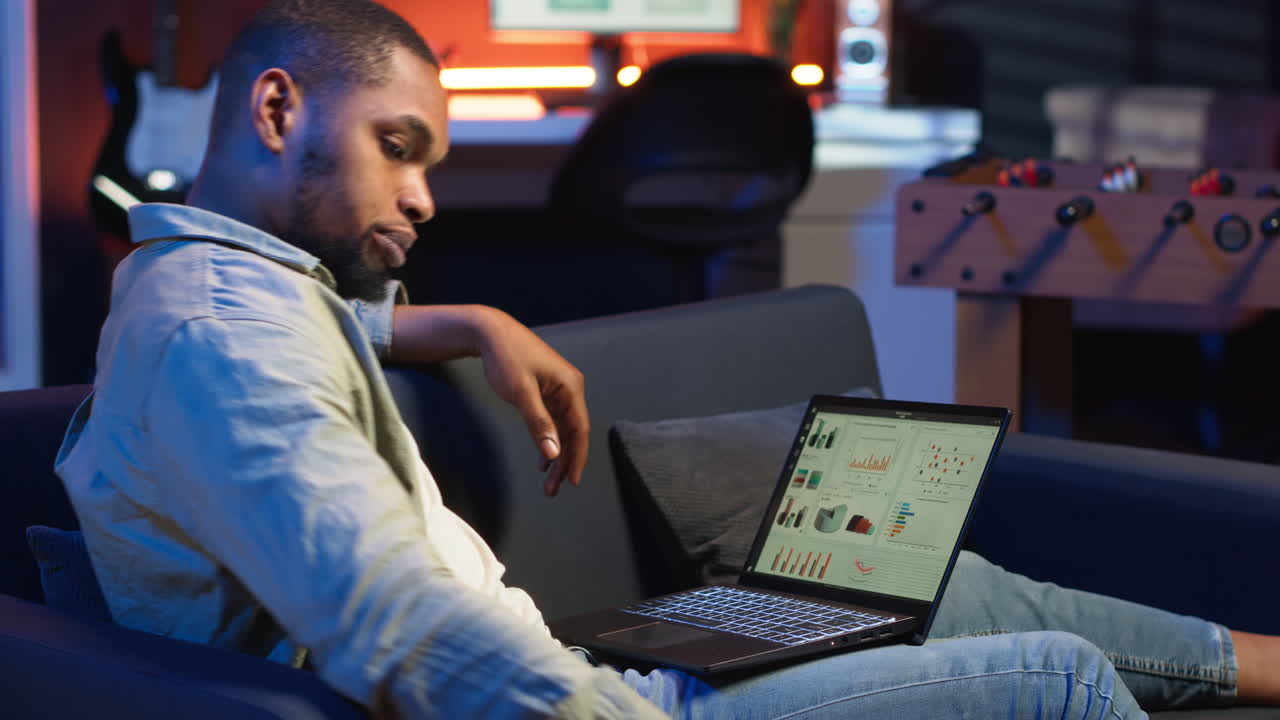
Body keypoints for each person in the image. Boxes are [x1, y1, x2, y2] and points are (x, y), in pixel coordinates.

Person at [53, 1, 1280, 717]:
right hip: (593, 705)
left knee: (902, 593)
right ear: (278, 113)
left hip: (575, 661)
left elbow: (306, 349)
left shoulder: (214, 293)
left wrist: (469, 321)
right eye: (399, 148)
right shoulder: (227, 336)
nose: (426, 199)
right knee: (1052, 678)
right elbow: (402, 629)